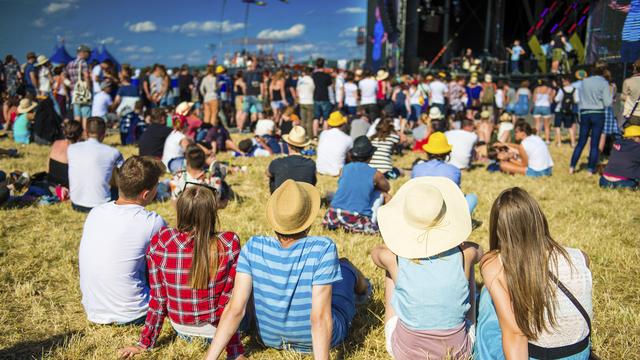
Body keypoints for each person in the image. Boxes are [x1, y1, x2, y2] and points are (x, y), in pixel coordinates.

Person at [204, 180, 370, 360]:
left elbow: (235, 309)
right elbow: (320, 316)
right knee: (344, 267)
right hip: (318, 340)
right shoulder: (322, 249)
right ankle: (365, 291)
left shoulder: (253, 247)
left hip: (268, 337)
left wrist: (209, 358)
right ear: (308, 220)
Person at [117, 184, 244, 359]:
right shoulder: (229, 243)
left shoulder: (161, 242)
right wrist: (234, 350)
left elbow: (159, 299)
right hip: (220, 333)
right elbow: (229, 301)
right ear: (212, 213)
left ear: (181, 210)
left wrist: (144, 343)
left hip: (181, 328)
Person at [371, 176, 480, 360]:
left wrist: (397, 249)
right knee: (467, 266)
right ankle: (469, 318)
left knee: (392, 269)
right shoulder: (465, 252)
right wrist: (461, 246)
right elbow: (480, 251)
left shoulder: (393, 257)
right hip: (460, 350)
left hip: (405, 352)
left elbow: (376, 254)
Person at [476, 187, 593, 359]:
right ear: (538, 219)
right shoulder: (580, 257)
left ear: (499, 228)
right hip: (580, 353)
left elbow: (516, 335)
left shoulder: (494, 264)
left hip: (537, 355)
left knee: (488, 295)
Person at [79, 156, 166, 325]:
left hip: (94, 309)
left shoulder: (96, 212)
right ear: (146, 194)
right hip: (135, 312)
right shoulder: (152, 222)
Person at [323, 136, 390, 233]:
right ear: (371, 156)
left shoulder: (344, 169)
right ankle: (387, 224)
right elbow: (386, 188)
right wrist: (374, 187)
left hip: (332, 217)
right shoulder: (375, 174)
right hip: (357, 220)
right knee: (385, 195)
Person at [412, 132, 478, 213]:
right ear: (447, 153)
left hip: (420, 211)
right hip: (445, 213)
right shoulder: (455, 170)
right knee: (472, 198)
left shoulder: (416, 168)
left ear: (427, 152)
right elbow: (457, 196)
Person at [68, 117, 124, 212]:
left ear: (85, 132)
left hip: (76, 204)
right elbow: (125, 173)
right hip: (102, 205)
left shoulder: (71, 148)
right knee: (115, 169)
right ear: (104, 134)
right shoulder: (113, 152)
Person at [570, 64, 613, 175]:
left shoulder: (584, 82)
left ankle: (572, 167)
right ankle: (590, 170)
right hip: (598, 113)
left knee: (581, 142)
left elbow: (578, 97)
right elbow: (608, 102)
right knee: (594, 143)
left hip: (585, 112)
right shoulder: (604, 83)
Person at [267, 126, 316, 193]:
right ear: (304, 146)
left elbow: (268, 173)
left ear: (288, 144)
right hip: (303, 201)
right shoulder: (311, 164)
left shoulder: (277, 163)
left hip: (280, 200)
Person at [599, 125, 640, 189]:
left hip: (604, 181)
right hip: (624, 183)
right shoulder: (637, 147)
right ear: (637, 137)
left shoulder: (616, 143)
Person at [316, 111, 353, 176]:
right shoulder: (348, 139)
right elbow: (350, 158)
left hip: (320, 170)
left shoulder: (323, 134)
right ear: (343, 124)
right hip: (337, 172)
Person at [48, 120, 83, 188]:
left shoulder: (56, 143)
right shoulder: (76, 150)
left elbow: (48, 165)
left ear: (64, 131)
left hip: (51, 181)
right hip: (66, 185)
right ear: (80, 135)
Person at [66, 45, 92, 126]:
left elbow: (64, 75)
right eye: (88, 53)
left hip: (74, 92)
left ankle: (76, 133)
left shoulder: (70, 63)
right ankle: (85, 132)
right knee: (85, 114)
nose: (89, 55)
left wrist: (70, 84)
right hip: (83, 91)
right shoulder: (83, 62)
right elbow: (86, 76)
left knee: (77, 115)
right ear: (83, 53)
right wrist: (89, 89)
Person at [554, 75, 580, 147]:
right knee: (570, 127)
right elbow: (577, 100)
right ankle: (573, 143)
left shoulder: (561, 90)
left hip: (559, 110)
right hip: (569, 111)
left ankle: (559, 143)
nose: (562, 82)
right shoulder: (575, 90)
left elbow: (557, 99)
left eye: (563, 81)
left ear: (567, 81)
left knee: (557, 126)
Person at [312, 58, 333, 137]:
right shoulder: (327, 76)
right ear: (323, 65)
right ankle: (324, 135)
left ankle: (315, 135)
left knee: (316, 118)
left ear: (316, 65)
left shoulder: (313, 75)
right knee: (325, 118)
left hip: (316, 97)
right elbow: (330, 88)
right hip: (325, 97)